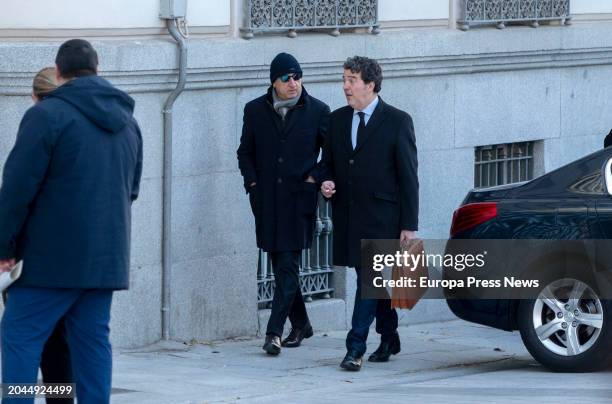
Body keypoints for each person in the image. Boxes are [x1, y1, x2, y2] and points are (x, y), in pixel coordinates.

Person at [0, 39, 143, 403]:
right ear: (97, 69)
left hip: (48, 262)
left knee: (19, 340)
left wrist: (5, 247)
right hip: (105, 259)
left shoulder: (46, 116)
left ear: (60, 73)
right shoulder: (129, 122)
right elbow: (131, 191)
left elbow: (17, 188)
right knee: (92, 344)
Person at [321, 56, 419, 371]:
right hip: (350, 217)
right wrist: (325, 182)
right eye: (344, 79)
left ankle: (355, 348)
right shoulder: (336, 120)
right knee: (371, 280)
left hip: (383, 218)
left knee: (369, 279)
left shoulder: (397, 120)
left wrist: (409, 225)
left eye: (352, 80)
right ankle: (389, 336)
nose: (345, 86)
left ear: (370, 84)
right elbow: (329, 164)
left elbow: (408, 177)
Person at [237, 52, 330, 355]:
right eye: (286, 78)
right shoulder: (254, 110)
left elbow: (331, 158)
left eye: (298, 76)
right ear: (274, 82)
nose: (294, 83)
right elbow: (245, 152)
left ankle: (273, 332)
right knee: (282, 266)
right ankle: (302, 323)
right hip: (266, 202)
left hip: (298, 201)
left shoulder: (318, 111)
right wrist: (252, 184)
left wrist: (312, 180)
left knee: (287, 265)